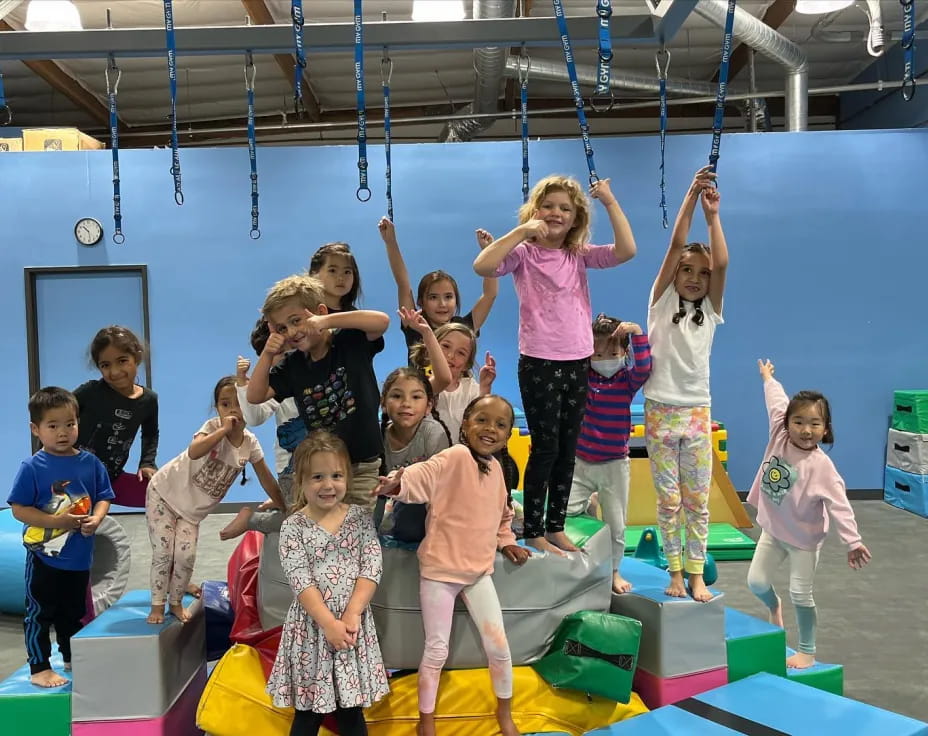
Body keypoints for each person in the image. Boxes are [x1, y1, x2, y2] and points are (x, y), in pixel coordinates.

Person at [474, 175, 636, 556]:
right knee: (545, 449)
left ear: (576, 216)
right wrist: (521, 231)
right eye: (549, 206)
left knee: (567, 449)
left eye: (565, 208)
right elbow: (483, 265)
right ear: (535, 211)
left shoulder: (578, 254)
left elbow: (627, 250)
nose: (556, 214)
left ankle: (556, 526)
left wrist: (609, 201)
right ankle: (533, 529)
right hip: (539, 361)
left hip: (578, 360)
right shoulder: (524, 254)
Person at [374, 395, 531, 736]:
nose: (490, 429)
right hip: (440, 573)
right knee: (436, 650)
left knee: (499, 647)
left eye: (500, 425)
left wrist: (507, 542)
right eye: (482, 420)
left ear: (508, 435)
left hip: (477, 573)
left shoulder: (498, 471)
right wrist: (397, 482)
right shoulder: (456, 456)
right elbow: (424, 474)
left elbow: (502, 514)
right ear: (465, 424)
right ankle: (425, 722)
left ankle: (505, 714)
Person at [747, 359, 871, 670]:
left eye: (815, 424)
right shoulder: (778, 432)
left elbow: (840, 506)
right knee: (756, 582)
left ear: (825, 429)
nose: (806, 430)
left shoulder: (822, 468)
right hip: (774, 530)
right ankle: (774, 607)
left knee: (801, 595)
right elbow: (776, 399)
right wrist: (767, 377)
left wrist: (852, 541)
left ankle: (807, 650)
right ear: (786, 422)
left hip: (804, 540)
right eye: (798, 422)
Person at [266, 431, 389, 736]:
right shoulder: (293, 527)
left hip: (351, 626)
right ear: (302, 482)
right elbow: (301, 580)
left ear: (347, 477)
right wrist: (328, 623)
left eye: (336, 475)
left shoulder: (360, 518)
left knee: (350, 711)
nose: (328, 485)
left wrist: (351, 614)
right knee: (308, 713)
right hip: (312, 629)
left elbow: (371, 566)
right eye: (317, 477)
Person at [642, 166, 727, 602]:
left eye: (702, 272)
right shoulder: (660, 303)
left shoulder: (711, 310)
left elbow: (723, 261)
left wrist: (714, 218)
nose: (694, 277)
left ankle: (696, 574)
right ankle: (674, 572)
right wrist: (691, 195)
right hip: (659, 408)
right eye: (687, 270)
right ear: (675, 274)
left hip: (696, 411)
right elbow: (677, 244)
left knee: (698, 500)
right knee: (669, 500)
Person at [145, 377, 284, 624]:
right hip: (163, 495)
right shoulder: (211, 428)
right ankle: (157, 604)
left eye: (239, 404)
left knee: (185, 556)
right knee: (165, 551)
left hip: (191, 511)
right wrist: (222, 430)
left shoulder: (250, 443)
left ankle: (175, 600)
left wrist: (284, 504)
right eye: (224, 404)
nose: (232, 410)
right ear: (217, 408)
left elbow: (266, 479)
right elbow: (194, 450)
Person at [248, 274, 390, 511]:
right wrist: (267, 355)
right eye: (283, 327)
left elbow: (382, 321)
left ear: (319, 311)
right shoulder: (293, 365)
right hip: (322, 469)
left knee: (355, 530)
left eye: (296, 321)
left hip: (362, 465)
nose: (292, 332)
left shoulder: (349, 341)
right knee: (324, 530)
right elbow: (255, 395)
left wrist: (326, 321)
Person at [7, 387, 114, 688]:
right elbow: (19, 509)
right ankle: (39, 666)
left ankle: (70, 656)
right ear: (36, 429)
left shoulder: (90, 463)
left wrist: (97, 517)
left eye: (70, 424)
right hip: (45, 555)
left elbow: (104, 496)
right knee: (40, 612)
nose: (63, 432)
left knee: (74, 612)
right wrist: (58, 521)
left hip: (79, 557)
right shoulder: (32, 467)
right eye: (53, 426)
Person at [567, 315, 651, 593]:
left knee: (616, 525)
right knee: (566, 511)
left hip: (614, 464)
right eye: (598, 353)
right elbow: (572, 358)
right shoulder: (585, 377)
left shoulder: (626, 381)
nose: (605, 359)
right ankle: (591, 505)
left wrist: (637, 332)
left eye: (613, 353)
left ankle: (614, 571)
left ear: (624, 353)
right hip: (581, 460)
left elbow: (644, 367)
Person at [220, 318, 306, 541]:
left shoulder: (311, 372)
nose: (286, 359)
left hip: (326, 459)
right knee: (300, 521)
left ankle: (257, 518)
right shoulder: (276, 385)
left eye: (289, 350)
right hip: (291, 465)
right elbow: (255, 416)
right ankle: (253, 519)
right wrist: (242, 383)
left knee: (319, 517)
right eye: (276, 355)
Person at [379, 217, 498, 356]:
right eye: (433, 297)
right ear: (420, 302)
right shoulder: (415, 324)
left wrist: (489, 251)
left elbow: (490, 294)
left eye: (448, 297)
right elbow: (403, 283)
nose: (442, 304)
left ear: (456, 299)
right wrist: (390, 242)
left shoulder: (463, 327)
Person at [74, 325, 158, 506]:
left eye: (122, 361)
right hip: (72, 477)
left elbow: (150, 433)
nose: (114, 372)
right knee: (74, 521)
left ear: (137, 357)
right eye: (105, 365)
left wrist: (147, 463)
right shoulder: (90, 392)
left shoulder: (148, 400)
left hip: (110, 479)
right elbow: (56, 417)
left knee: (162, 495)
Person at [379, 366, 452, 542]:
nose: (406, 403)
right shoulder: (378, 438)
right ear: (383, 404)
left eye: (416, 397)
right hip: (395, 500)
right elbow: (376, 491)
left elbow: (443, 487)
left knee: (411, 521)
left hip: (429, 498)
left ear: (429, 406)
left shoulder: (433, 433)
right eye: (397, 396)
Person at [409, 322, 496, 445]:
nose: (450, 356)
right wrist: (427, 333)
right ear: (430, 350)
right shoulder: (421, 383)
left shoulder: (470, 388)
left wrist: (485, 386)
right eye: (445, 346)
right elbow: (441, 379)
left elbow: (482, 422)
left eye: (461, 353)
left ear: (467, 364)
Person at [307, 242, 362, 313]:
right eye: (332, 270)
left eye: (347, 272)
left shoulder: (357, 318)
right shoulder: (302, 312)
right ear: (314, 273)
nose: (341, 278)